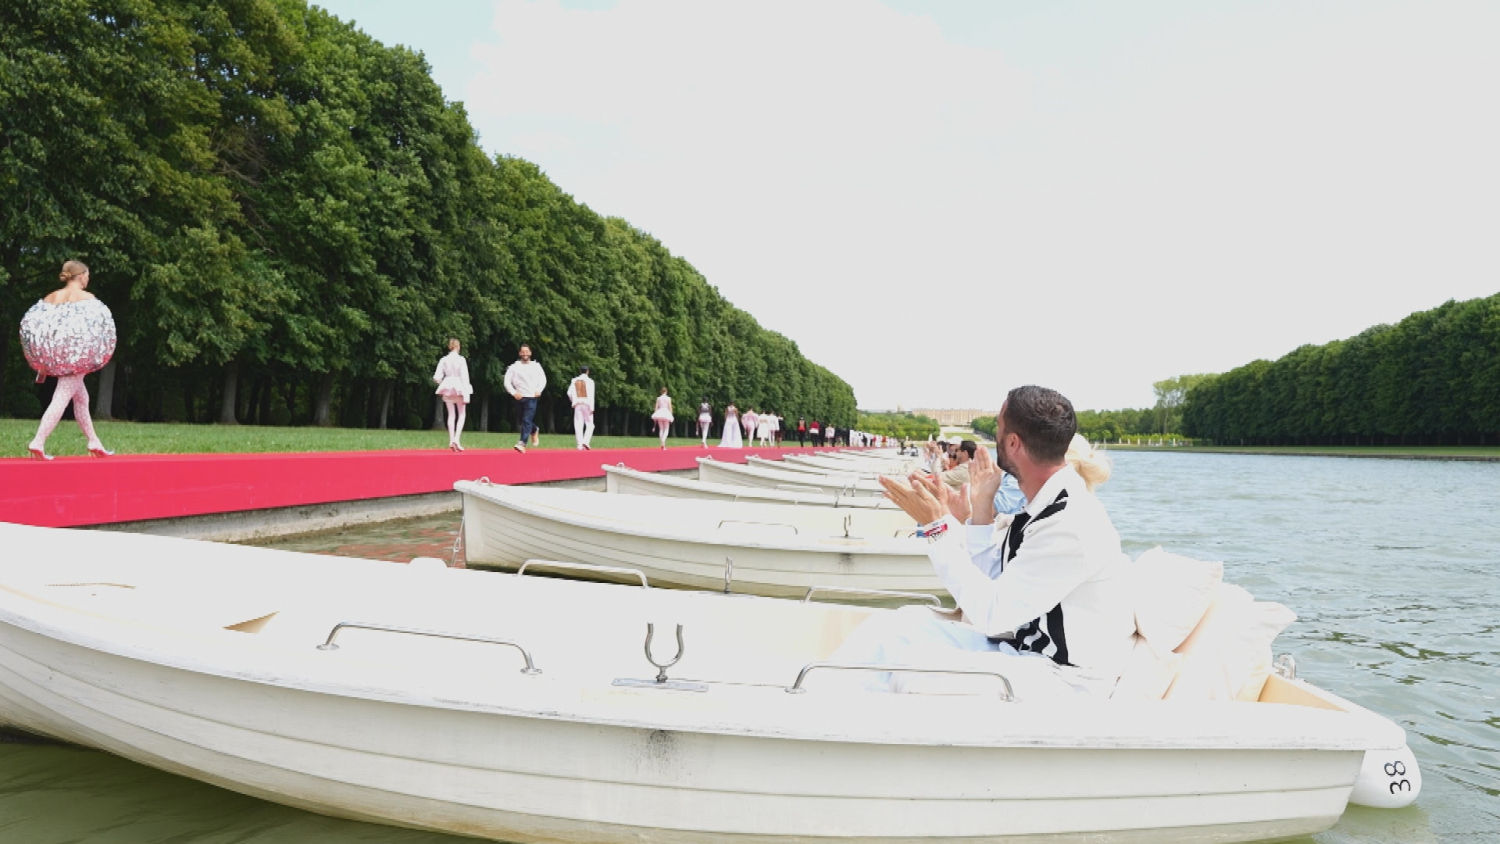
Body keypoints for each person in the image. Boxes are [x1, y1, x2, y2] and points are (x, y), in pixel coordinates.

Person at [832, 385, 1135, 700]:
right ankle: (821, 696)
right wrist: (980, 509)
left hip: (1065, 677)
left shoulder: (1070, 523)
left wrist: (937, 528)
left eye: (998, 429)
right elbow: (994, 581)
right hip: (1022, 650)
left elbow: (992, 615)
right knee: (893, 628)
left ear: (1013, 443)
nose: (994, 439)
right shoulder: (1046, 504)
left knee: (911, 672)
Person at [21, 260, 117, 459]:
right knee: (62, 396)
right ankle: (38, 441)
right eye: (87, 275)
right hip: (76, 356)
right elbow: (99, 325)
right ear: (81, 276)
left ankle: (94, 441)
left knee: (82, 398)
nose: (88, 279)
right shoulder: (87, 298)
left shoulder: (51, 297)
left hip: (56, 355)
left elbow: (33, 325)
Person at [503, 344, 546, 453]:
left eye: (527, 351)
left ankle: (522, 443)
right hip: (519, 397)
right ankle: (534, 429)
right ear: (520, 353)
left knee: (526, 420)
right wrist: (513, 393)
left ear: (530, 353)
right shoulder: (514, 367)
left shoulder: (536, 366)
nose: (525, 354)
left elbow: (543, 379)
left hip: (532, 397)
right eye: (523, 352)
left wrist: (539, 390)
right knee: (522, 420)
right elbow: (507, 381)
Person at [432, 338, 473, 451]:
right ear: (458, 347)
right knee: (462, 414)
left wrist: (443, 383)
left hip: (448, 387)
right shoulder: (461, 359)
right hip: (459, 387)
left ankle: (451, 440)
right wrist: (467, 392)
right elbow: (465, 377)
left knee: (451, 415)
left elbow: (437, 377)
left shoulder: (443, 360)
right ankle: (456, 439)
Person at [567, 365, 595, 450]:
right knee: (590, 425)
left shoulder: (574, 380)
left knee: (578, 424)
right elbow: (591, 395)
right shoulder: (590, 381)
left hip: (578, 404)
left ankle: (579, 445)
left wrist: (573, 400)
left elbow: (569, 393)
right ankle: (586, 441)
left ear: (580, 371)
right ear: (587, 371)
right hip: (587, 404)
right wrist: (592, 407)